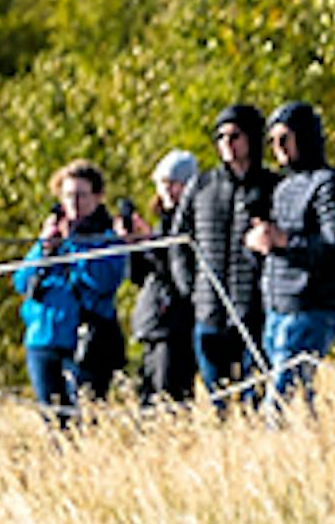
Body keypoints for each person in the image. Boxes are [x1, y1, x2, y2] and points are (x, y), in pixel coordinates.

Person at [248, 101, 335, 410]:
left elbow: (334, 248)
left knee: (278, 403)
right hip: (276, 304)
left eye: (285, 139)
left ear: (304, 137)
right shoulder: (283, 188)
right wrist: (260, 242)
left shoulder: (329, 186)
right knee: (298, 400)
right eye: (273, 142)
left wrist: (282, 240)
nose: (278, 148)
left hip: (310, 306)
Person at [16, 161, 129, 429]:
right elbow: (21, 281)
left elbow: (104, 282)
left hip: (87, 343)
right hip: (44, 339)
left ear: (98, 197)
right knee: (54, 422)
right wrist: (46, 249)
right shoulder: (51, 236)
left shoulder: (108, 239)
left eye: (81, 195)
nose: (74, 203)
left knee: (85, 421)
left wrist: (75, 247)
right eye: (68, 196)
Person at [179, 104, 277, 403]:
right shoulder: (202, 186)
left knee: (255, 397)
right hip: (208, 310)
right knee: (217, 397)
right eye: (221, 137)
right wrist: (190, 289)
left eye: (235, 135)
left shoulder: (273, 186)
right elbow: (179, 241)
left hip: (255, 310)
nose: (227, 143)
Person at [125, 149, 200, 409]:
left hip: (177, 325)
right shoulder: (161, 224)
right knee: (148, 397)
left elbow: (179, 271)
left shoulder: (195, 222)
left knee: (171, 398)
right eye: (163, 183)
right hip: (152, 322)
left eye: (175, 183)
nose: (168, 190)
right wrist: (134, 247)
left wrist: (152, 244)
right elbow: (141, 276)